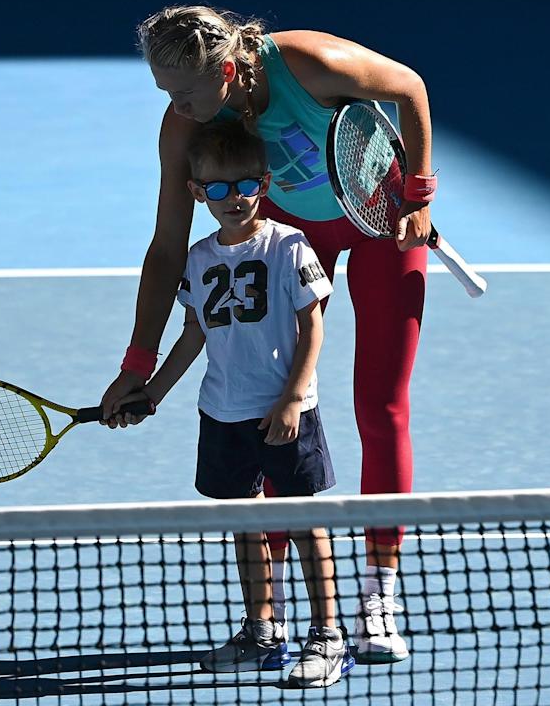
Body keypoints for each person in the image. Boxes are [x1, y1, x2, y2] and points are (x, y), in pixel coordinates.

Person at [104, 5, 433, 662]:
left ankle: (377, 593)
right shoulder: (183, 130)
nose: (178, 108)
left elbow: (409, 87)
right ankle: (270, 614)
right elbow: (167, 251)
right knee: (264, 407)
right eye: (166, 92)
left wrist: (420, 195)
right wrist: (138, 363)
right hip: (290, 234)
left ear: (228, 69)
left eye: (187, 91)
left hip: (379, 221)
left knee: (381, 404)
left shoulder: (311, 63)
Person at [117, 119, 352, 687]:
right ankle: (262, 629)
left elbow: (313, 326)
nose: (232, 198)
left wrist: (295, 396)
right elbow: (194, 335)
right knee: (244, 522)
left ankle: (328, 636)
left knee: (303, 523)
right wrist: (152, 392)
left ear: (264, 184)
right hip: (221, 413)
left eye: (244, 185)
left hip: (284, 410)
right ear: (198, 192)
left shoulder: (288, 246)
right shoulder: (197, 260)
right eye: (217, 188)